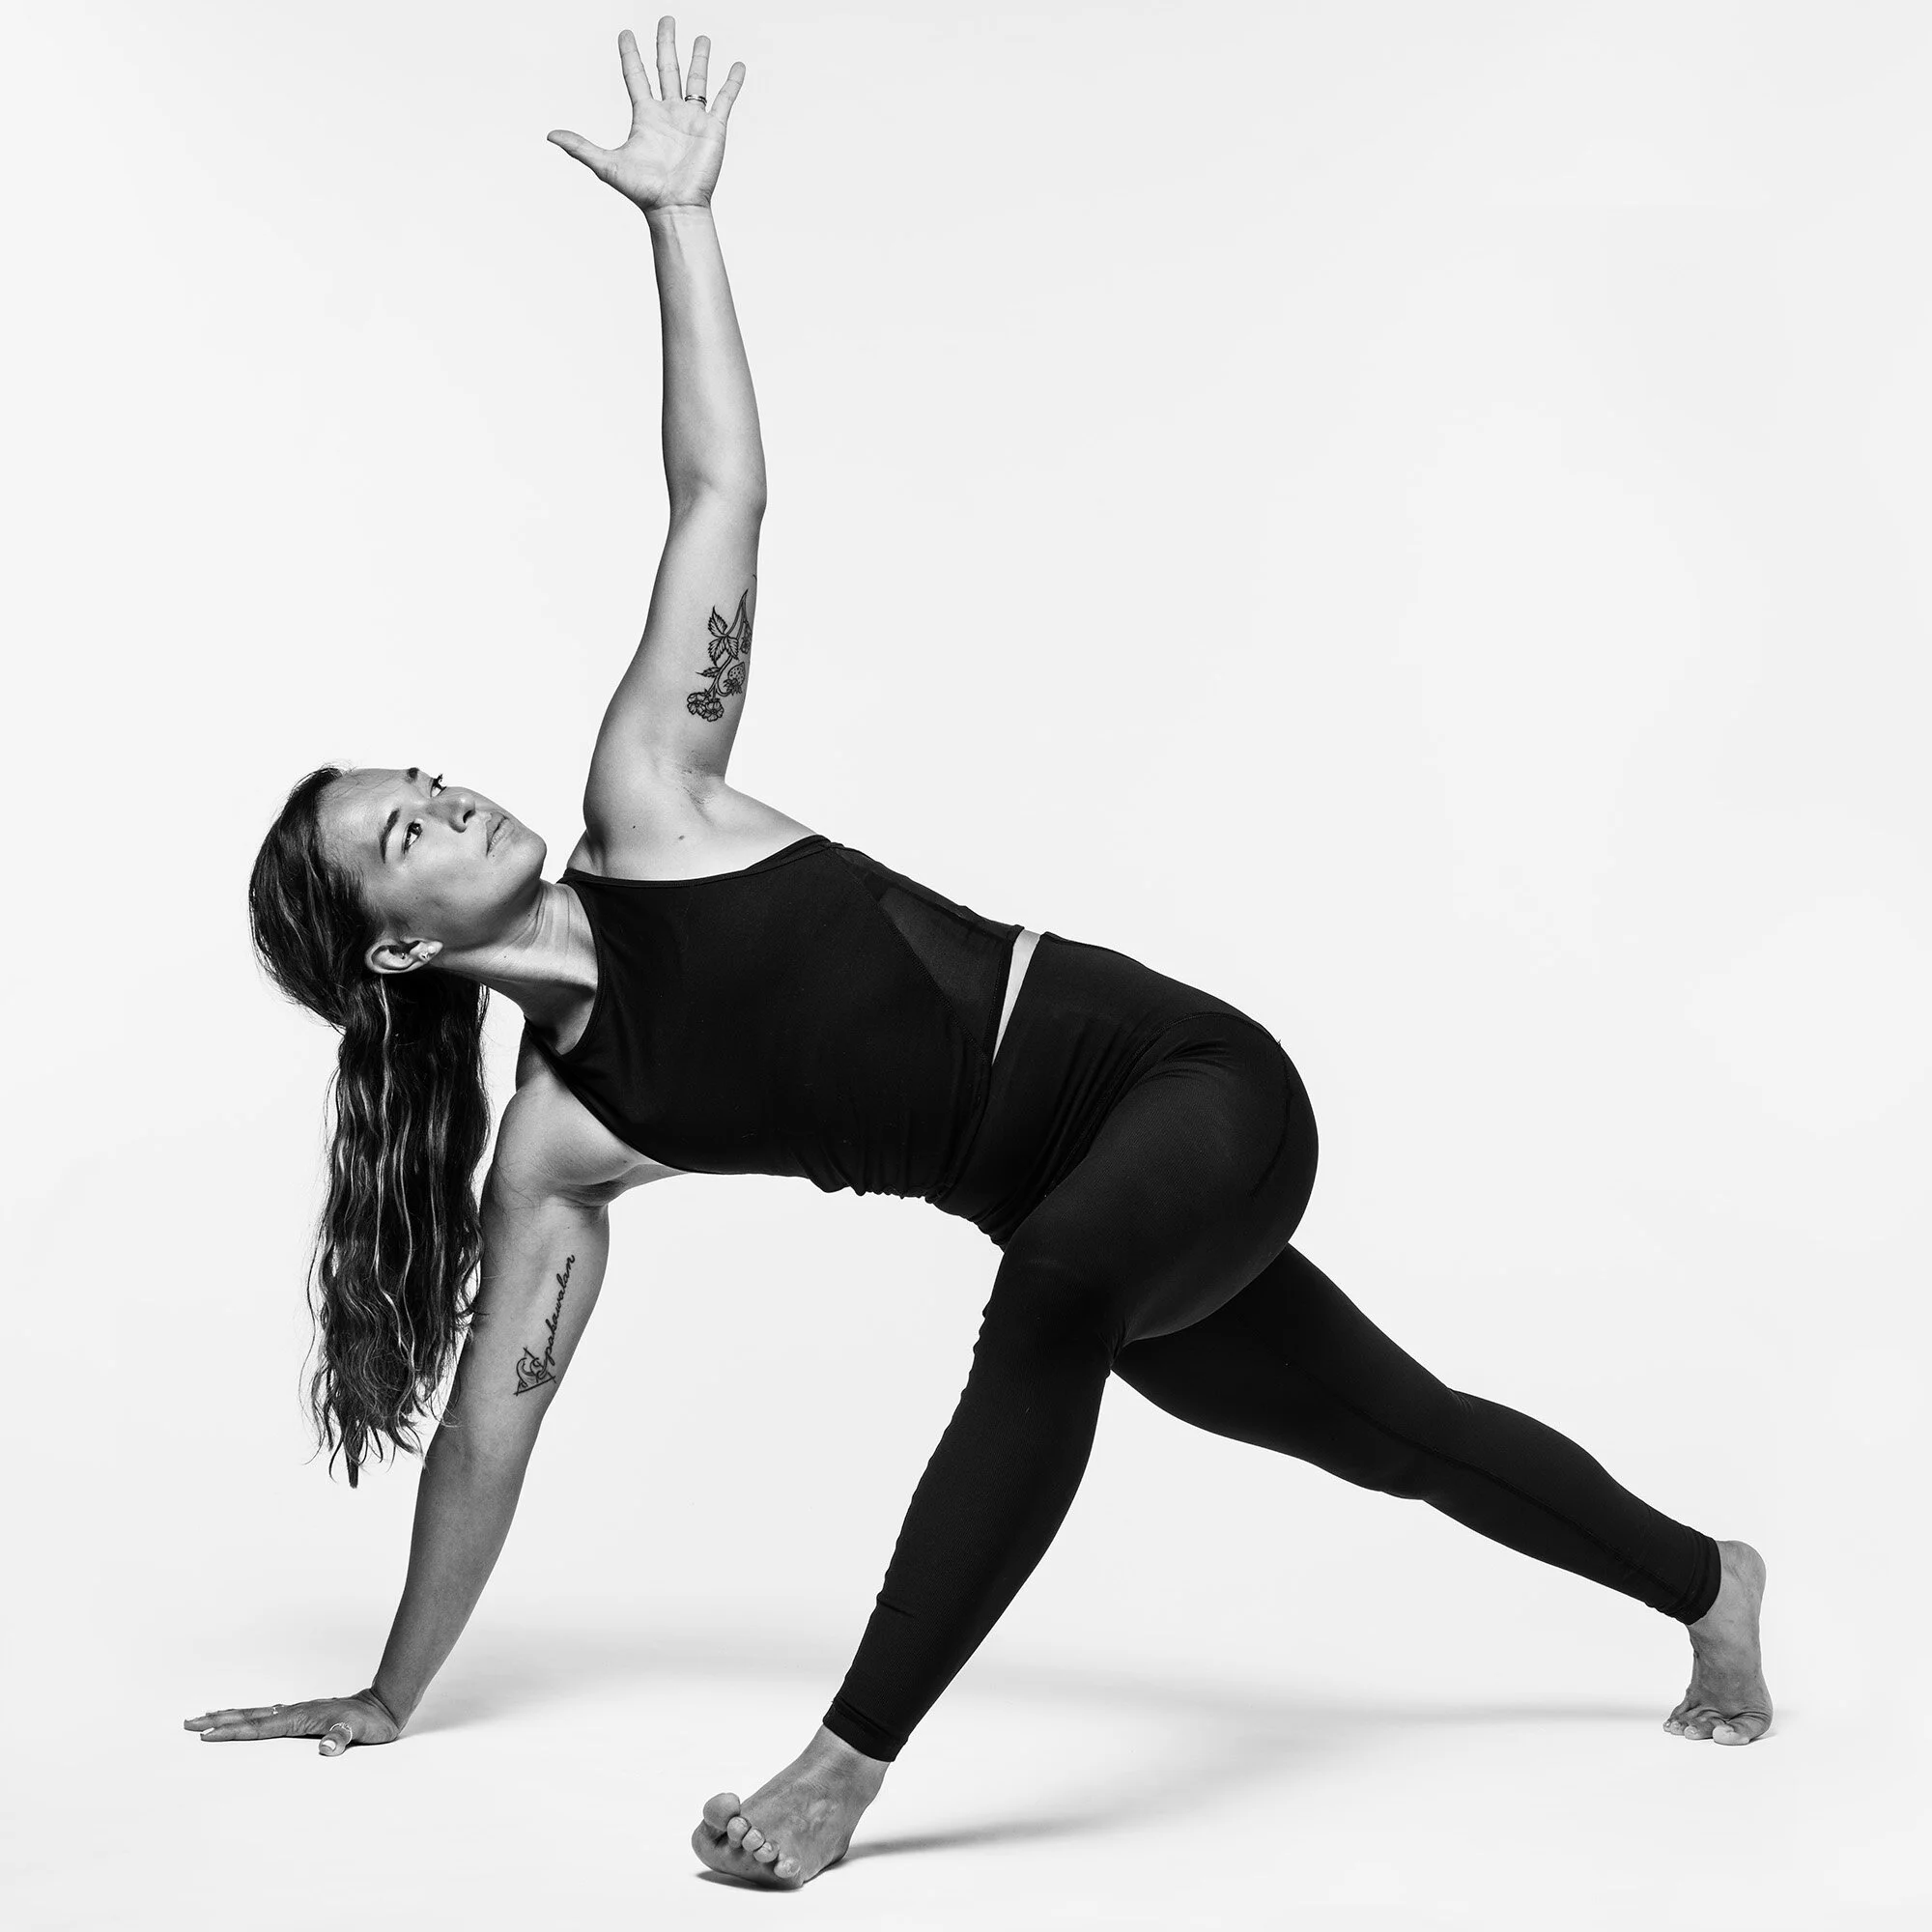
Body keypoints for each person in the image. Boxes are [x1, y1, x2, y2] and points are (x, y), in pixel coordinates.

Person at [185, 18, 1772, 1889]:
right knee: (1393, 1431)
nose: (448, 801)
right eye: (404, 835)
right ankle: (1708, 1581)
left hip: (1192, 1089)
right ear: (392, 954)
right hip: (1095, 1230)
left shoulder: (652, 795)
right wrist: (389, 1692)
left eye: (424, 780)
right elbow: (486, 1440)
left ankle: (840, 1769)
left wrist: (680, 221)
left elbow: (717, 499)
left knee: (1050, 1301)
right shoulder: (560, 1143)